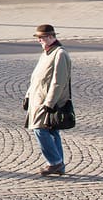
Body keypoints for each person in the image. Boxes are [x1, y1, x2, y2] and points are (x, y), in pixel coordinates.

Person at [25, 23, 72, 176]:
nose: (39, 40)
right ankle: (59, 164)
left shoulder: (59, 54)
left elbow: (59, 81)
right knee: (52, 132)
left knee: (40, 129)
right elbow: (37, 78)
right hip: (37, 99)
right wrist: (27, 95)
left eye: (42, 37)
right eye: (38, 38)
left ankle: (54, 162)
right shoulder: (46, 53)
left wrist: (50, 103)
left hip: (48, 102)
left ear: (51, 37)